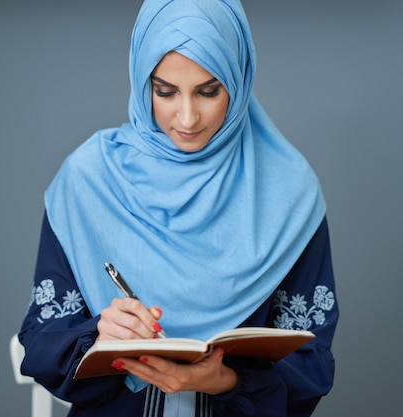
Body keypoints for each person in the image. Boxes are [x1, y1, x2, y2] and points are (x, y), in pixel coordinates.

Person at [18, 0, 338, 416]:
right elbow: (42, 341)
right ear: (141, 82)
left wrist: (226, 381)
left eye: (209, 91)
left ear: (239, 83)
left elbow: (313, 362)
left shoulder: (289, 192)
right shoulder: (88, 180)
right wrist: (100, 335)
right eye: (165, 91)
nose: (187, 118)